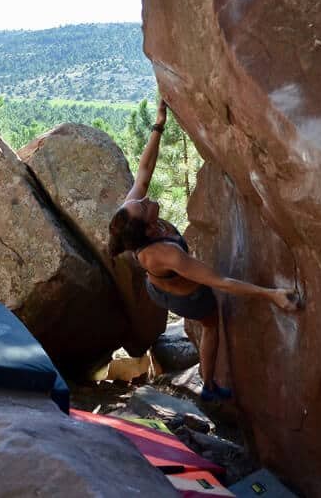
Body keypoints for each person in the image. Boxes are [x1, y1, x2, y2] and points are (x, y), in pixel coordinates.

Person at [108, 99, 299, 402]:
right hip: (185, 295)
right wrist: (271, 294)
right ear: (148, 228)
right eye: (143, 206)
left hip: (160, 283)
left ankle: (208, 384)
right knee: (212, 323)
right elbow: (221, 282)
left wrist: (158, 124)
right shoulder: (166, 255)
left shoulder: (129, 220)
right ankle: (208, 387)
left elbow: (144, 170)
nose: (144, 198)